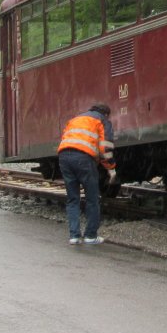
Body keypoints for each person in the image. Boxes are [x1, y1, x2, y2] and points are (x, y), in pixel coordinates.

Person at [57, 103, 117, 245]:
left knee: (73, 198)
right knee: (92, 198)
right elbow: (105, 148)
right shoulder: (102, 120)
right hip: (83, 159)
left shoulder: (76, 119)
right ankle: (90, 236)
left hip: (64, 157)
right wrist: (111, 168)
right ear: (106, 114)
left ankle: (74, 236)